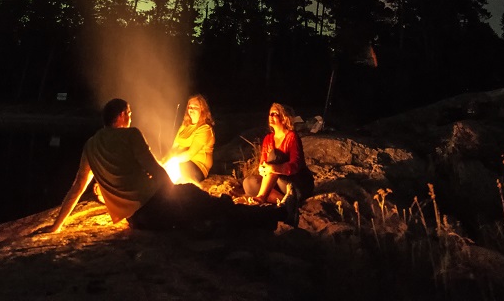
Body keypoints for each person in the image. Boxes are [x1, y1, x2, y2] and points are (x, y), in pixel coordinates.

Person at [49, 98, 281, 233]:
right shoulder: (131, 135)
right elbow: (155, 170)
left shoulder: (90, 145)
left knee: (201, 215)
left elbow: (77, 188)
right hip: (154, 205)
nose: (130, 117)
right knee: (208, 205)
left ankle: (257, 218)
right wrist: (174, 190)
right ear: (121, 116)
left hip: (136, 221)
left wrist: (56, 226)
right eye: (129, 113)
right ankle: (274, 216)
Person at [242, 102, 315, 212]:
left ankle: (262, 197)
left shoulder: (291, 137)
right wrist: (262, 169)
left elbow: (296, 165)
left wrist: (275, 168)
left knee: (276, 156)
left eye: (274, 114)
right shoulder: (268, 138)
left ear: (284, 118)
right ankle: (286, 201)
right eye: (270, 114)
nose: (270, 116)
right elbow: (263, 162)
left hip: (295, 182)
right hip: (277, 184)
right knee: (249, 183)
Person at [166, 94, 215, 184]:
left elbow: (190, 154)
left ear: (202, 110)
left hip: (197, 166)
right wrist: (165, 160)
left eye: (195, 107)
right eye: (189, 107)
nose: (191, 109)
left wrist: (171, 161)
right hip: (180, 161)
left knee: (172, 174)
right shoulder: (185, 126)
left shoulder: (205, 129)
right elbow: (174, 147)